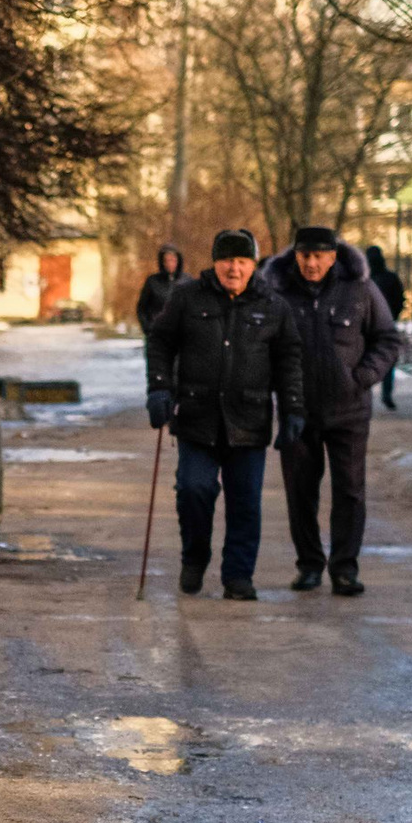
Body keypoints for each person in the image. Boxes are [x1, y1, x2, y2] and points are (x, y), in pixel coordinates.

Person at [144, 229, 306, 601]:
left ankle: (238, 576)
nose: (234, 268)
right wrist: (159, 387)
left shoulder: (273, 305)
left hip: (249, 419)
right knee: (193, 489)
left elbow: (289, 360)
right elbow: (160, 340)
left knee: (245, 501)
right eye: (227, 260)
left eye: (242, 261)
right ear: (215, 262)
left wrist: (293, 408)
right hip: (197, 416)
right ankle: (195, 556)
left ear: (253, 265)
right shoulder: (187, 297)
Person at [264, 227, 406, 596]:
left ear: (333, 256)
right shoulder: (278, 292)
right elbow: (263, 345)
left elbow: (389, 338)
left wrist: (364, 376)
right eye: (304, 255)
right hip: (298, 412)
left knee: (350, 491)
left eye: (319, 256)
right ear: (295, 256)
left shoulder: (359, 289)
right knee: (300, 492)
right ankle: (309, 565)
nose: (311, 263)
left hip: (349, 411)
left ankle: (344, 568)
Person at [364, 244, 409, 411]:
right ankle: (386, 394)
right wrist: (392, 317)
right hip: (386, 326)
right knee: (387, 360)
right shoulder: (391, 278)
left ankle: (364, 395)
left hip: (367, 328)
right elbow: (400, 300)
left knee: (365, 361)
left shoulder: (364, 279)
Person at [135, 243, 185, 334]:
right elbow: (141, 308)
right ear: (162, 262)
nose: (170, 264)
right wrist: (148, 328)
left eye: (173, 260)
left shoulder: (187, 281)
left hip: (181, 336)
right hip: (157, 334)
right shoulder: (152, 282)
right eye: (167, 260)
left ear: (178, 261)